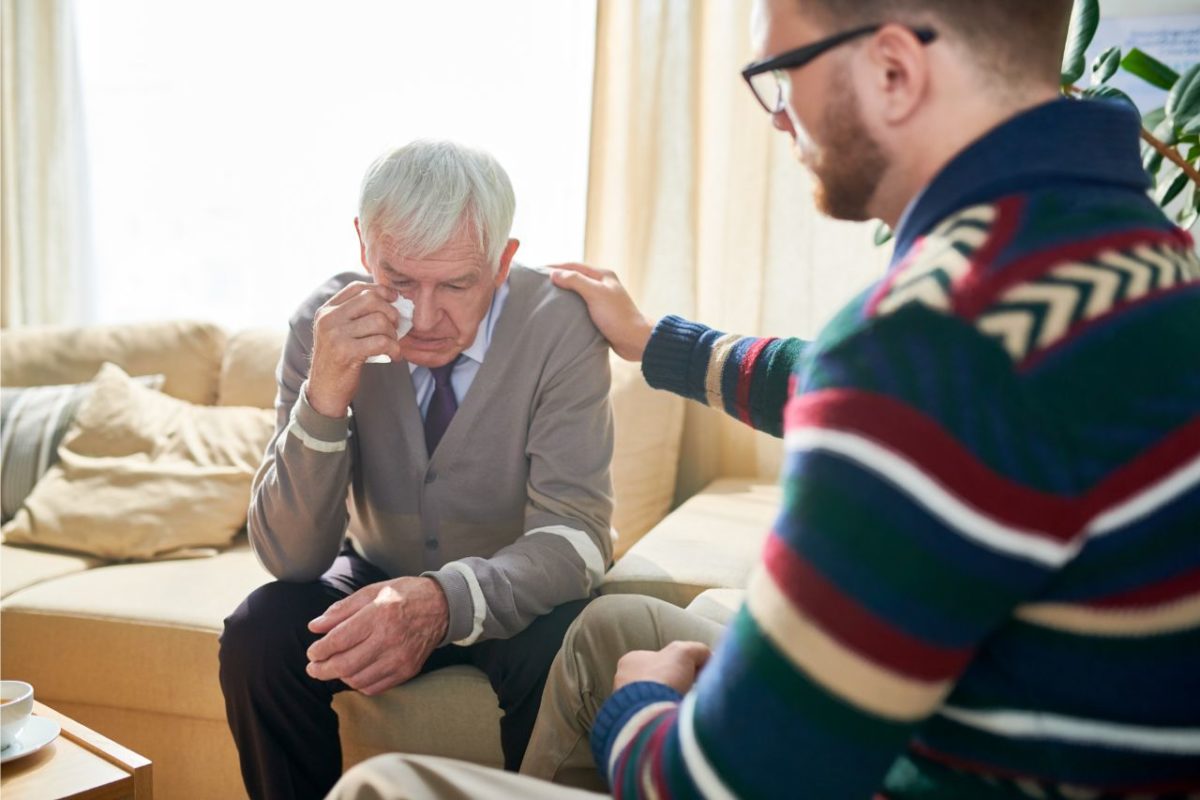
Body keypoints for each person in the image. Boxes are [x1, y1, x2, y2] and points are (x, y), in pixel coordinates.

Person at [328, 0, 1200, 796]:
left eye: (778, 75)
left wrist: (639, 708)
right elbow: (828, 377)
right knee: (612, 627)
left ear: (894, 70)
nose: (778, 114)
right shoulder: (1140, 263)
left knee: (390, 786)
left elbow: (716, 786)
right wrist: (657, 340)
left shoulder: (928, 344)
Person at [217, 140, 615, 800]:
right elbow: (291, 557)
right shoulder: (324, 326)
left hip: (518, 582)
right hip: (375, 567)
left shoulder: (560, 324)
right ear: (363, 247)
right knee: (259, 635)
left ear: (503, 261)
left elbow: (578, 537)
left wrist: (441, 600)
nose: (424, 318)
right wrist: (326, 391)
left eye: (457, 284)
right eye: (399, 281)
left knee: (564, 643)